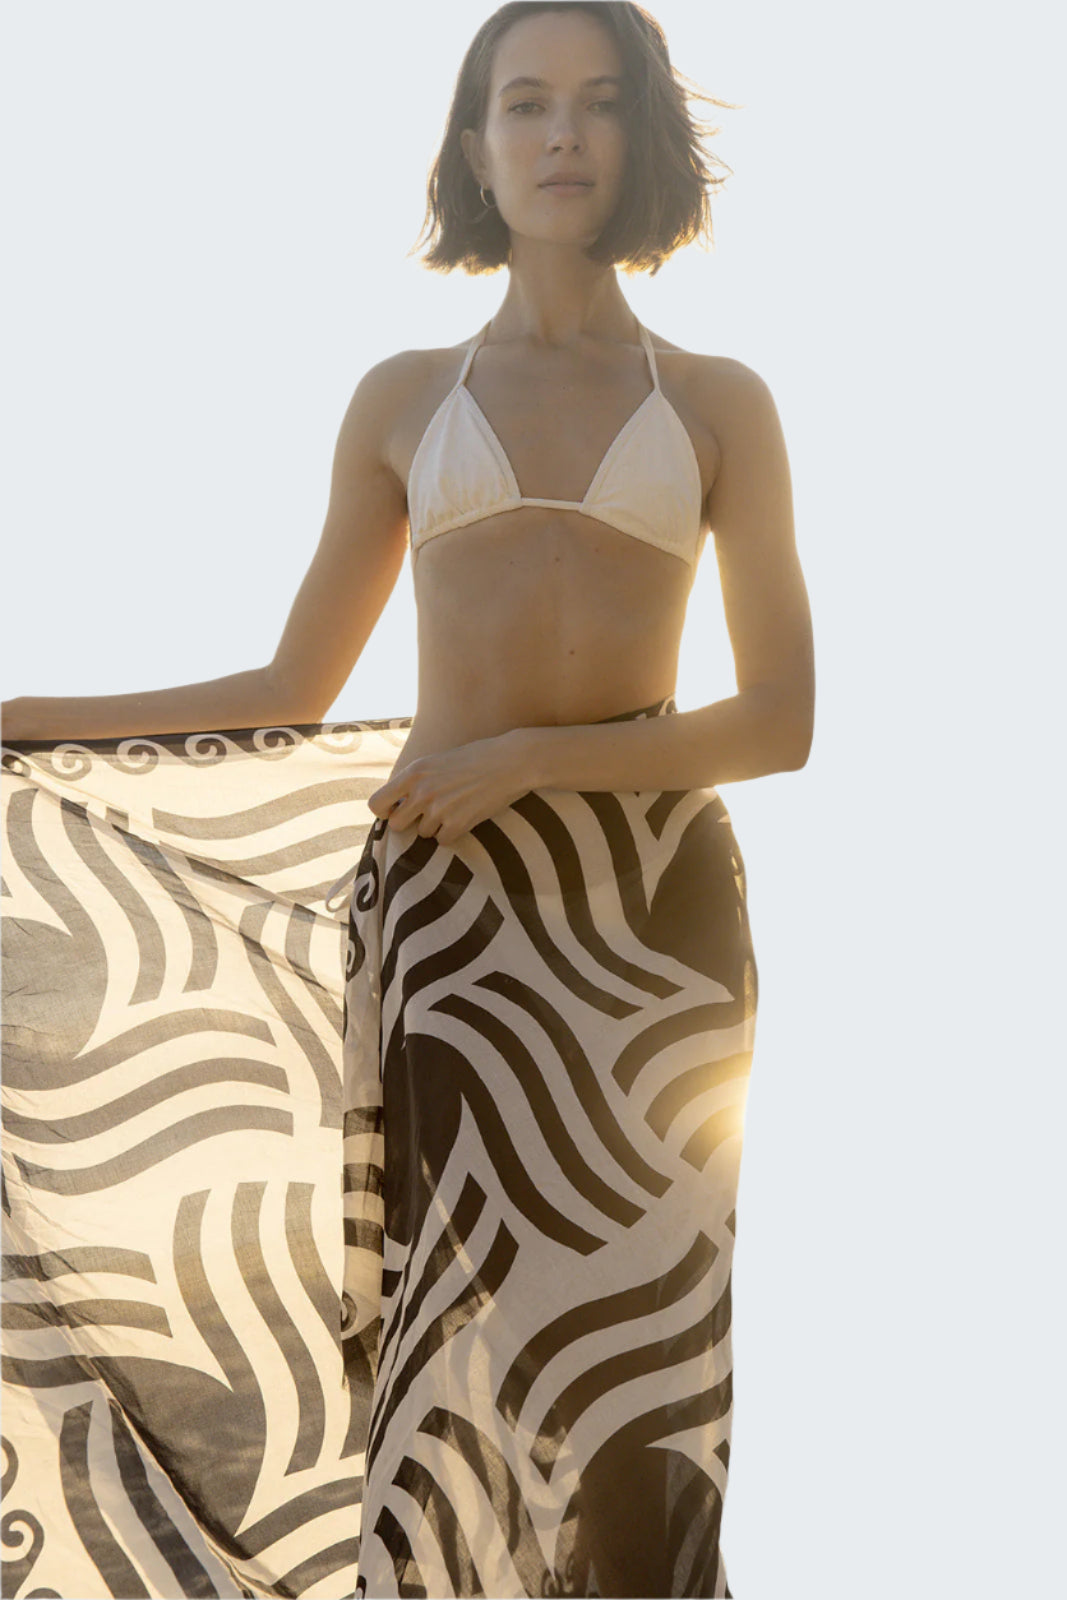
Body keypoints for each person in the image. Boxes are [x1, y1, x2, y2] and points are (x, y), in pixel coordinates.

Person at [1, 4, 813, 1596]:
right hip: (456, 928)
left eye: (596, 103)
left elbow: (780, 721)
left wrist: (527, 762)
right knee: (455, 1335)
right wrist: (27, 715)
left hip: (650, 925)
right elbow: (290, 687)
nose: (561, 133)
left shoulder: (721, 402)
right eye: (525, 105)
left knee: (644, 1359)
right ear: (474, 148)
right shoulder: (401, 395)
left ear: (642, 139)